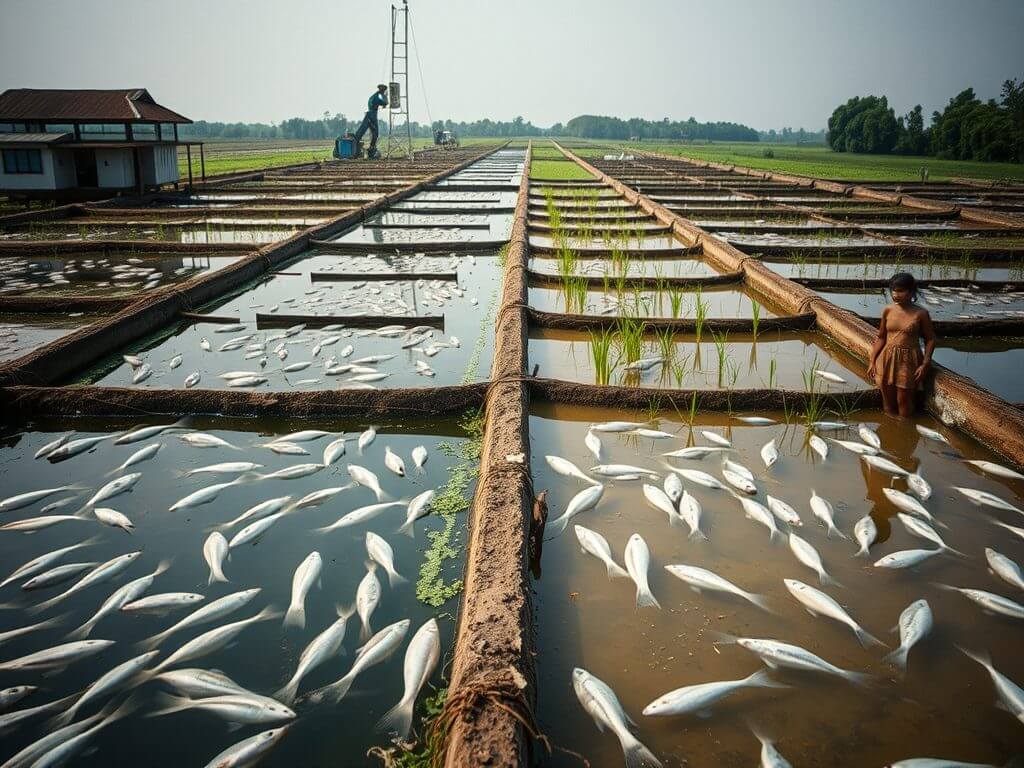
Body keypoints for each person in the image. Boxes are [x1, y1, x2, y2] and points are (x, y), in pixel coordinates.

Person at [866, 272, 936, 418]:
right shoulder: (888, 310)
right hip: (886, 358)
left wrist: (925, 363)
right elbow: (881, 337)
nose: (895, 294)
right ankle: (891, 435)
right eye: (893, 290)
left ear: (911, 292)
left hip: (908, 361)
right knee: (888, 403)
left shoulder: (921, 314)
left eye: (900, 290)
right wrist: (872, 361)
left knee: (904, 402)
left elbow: (930, 339)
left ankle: (905, 431)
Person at [353, 84, 389, 158]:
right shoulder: (376, 97)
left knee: (362, 131)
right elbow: (385, 103)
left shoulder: (373, 96)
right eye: (383, 91)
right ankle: (370, 149)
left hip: (369, 115)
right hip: (372, 115)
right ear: (381, 90)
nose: (384, 92)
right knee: (375, 133)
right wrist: (385, 96)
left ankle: (363, 148)